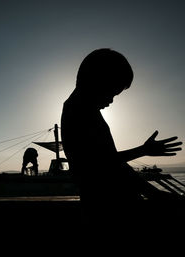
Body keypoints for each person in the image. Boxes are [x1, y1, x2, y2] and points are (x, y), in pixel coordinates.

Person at [60, 48, 183, 231]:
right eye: (112, 92)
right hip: (109, 212)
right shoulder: (79, 112)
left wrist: (153, 190)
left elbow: (107, 161)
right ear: (97, 80)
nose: (111, 100)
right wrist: (155, 192)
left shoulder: (81, 110)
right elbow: (103, 164)